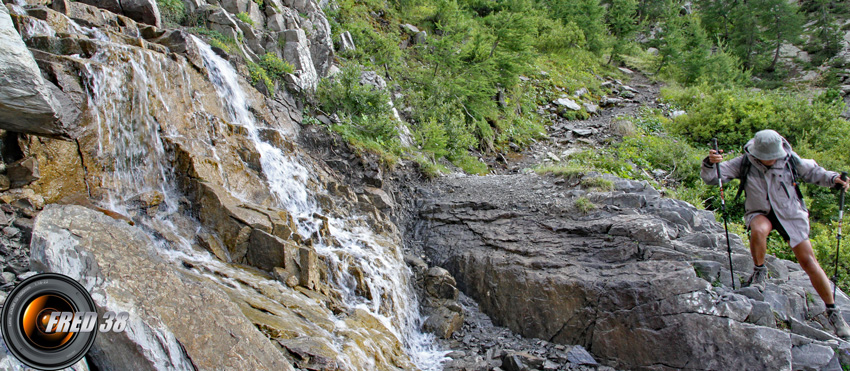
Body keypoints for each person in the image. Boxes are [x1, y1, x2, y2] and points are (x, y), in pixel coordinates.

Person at [701, 129, 850, 339]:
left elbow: (814, 172)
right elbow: (713, 177)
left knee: (808, 261)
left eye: (773, 157)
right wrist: (709, 162)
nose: (770, 160)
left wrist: (834, 179)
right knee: (759, 230)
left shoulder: (791, 160)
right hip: (760, 212)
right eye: (766, 157)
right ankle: (760, 270)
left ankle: (833, 311)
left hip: (790, 216)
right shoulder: (745, 162)